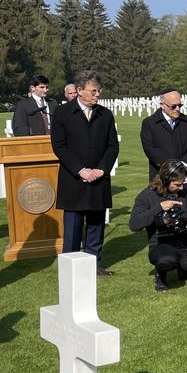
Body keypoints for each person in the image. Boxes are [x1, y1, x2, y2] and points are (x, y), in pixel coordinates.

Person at [50, 70, 119, 276]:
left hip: (98, 178)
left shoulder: (105, 114)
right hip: (74, 179)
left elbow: (112, 146)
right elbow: (59, 146)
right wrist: (81, 170)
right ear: (79, 91)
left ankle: (94, 264)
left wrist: (100, 170)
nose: (97, 95)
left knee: (96, 225)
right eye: (93, 91)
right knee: (72, 226)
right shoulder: (63, 113)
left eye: (99, 91)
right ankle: (69, 268)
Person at [129, 160, 187, 291]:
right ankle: (161, 274)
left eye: (183, 183)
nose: (181, 187)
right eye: (178, 184)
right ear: (166, 180)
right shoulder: (147, 195)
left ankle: (184, 269)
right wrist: (159, 207)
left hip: (185, 244)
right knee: (166, 260)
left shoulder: (185, 192)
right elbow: (134, 224)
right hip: (161, 244)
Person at [139, 88, 187, 206]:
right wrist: (171, 168)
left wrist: (183, 164)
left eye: (180, 105)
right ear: (162, 105)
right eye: (173, 106)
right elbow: (150, 149)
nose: (178, 109)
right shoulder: (149, 124)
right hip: (163, 176)